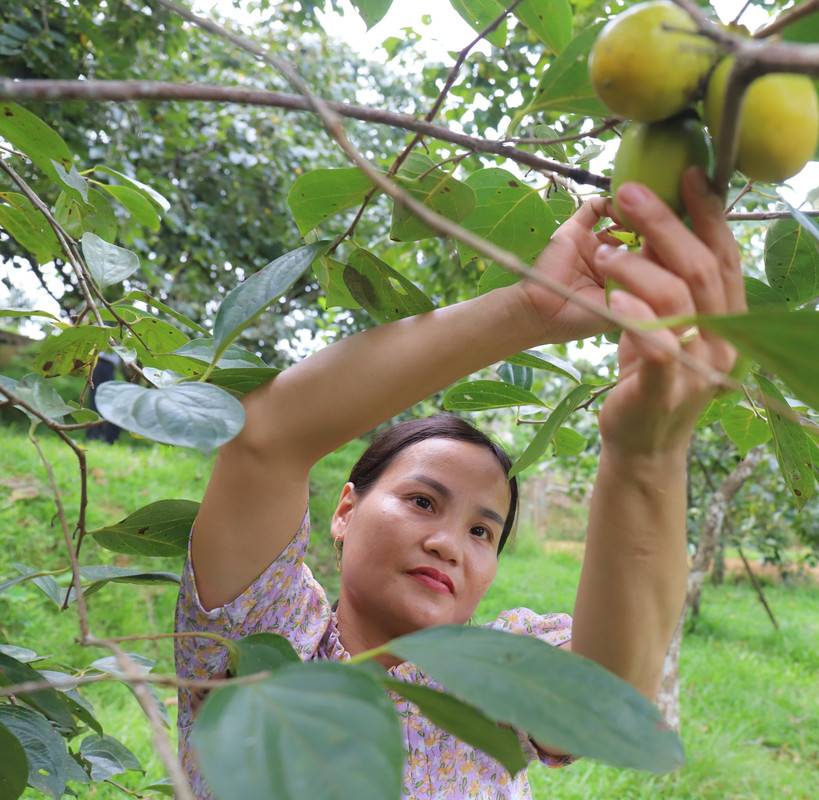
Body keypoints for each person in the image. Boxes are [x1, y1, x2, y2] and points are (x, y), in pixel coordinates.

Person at [173, 167, 746, 799]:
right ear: (345, 511)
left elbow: (607, 695)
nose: (449, 544)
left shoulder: (491, 681)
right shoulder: (262, 640)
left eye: (481, 531)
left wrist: (646, 451)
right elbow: (265, 440)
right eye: (422, 501)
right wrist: (528, 309)